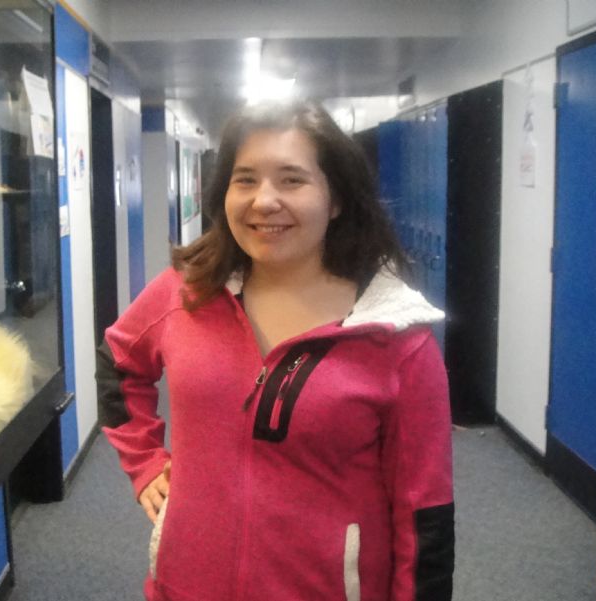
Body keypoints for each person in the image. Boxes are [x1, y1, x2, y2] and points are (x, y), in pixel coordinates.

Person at [97, 99, 454, 601]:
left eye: (291, 180)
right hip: (186, 585)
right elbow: (118, 363)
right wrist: (145, 462)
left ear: (335, 198)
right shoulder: (185, 292)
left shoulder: (395, 335)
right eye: (245, 180)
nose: (264, 201)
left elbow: (424, 515)